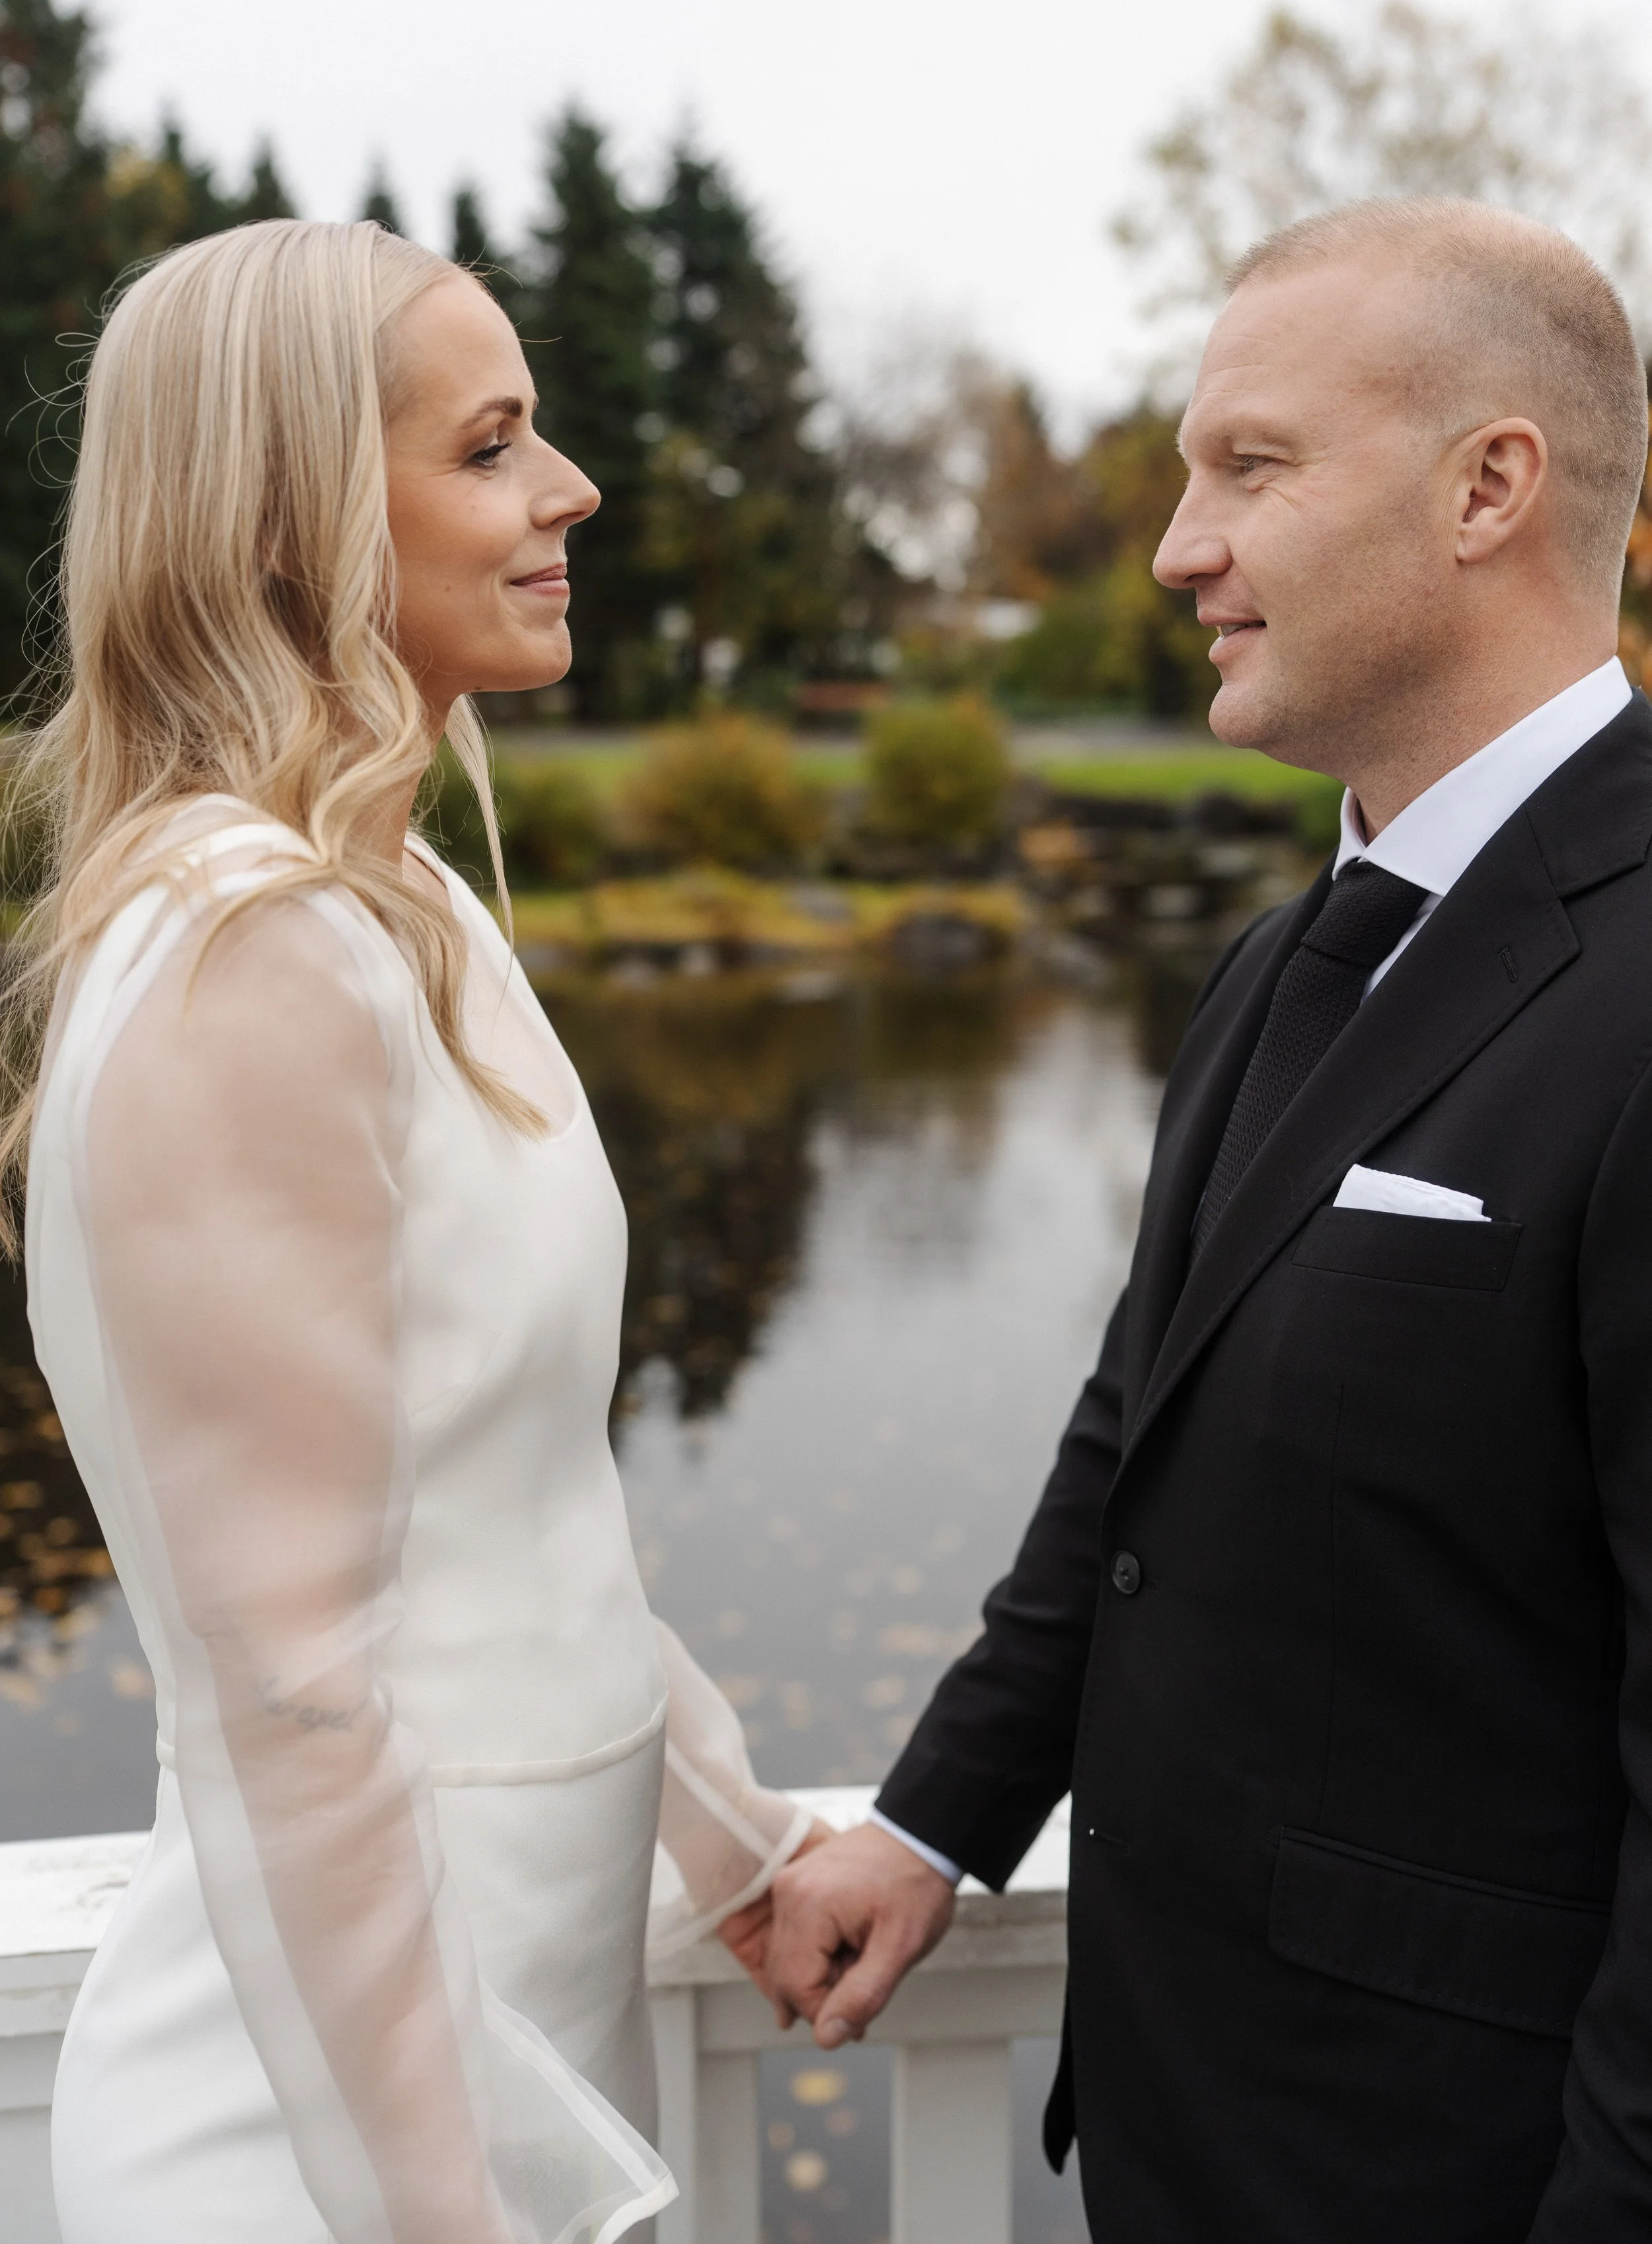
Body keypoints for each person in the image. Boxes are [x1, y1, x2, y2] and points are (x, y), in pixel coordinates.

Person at [765, 197, 1652, 2242]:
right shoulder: (1277, 963)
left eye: (1246, 467)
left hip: (1467, 2177)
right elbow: (1135, 1453)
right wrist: (933, 1821)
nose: (1176, 548)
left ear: (1484, 488)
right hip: (1183, 2136)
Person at [13, 219, 817, 2244]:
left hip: (510, 2054)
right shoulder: (249, 953)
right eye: (490, 444)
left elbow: (507, 1494)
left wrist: (726, 1838)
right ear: (290, 521)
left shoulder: (406, 907)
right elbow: (293, 1681)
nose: (570, 490)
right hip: (338, 2153)